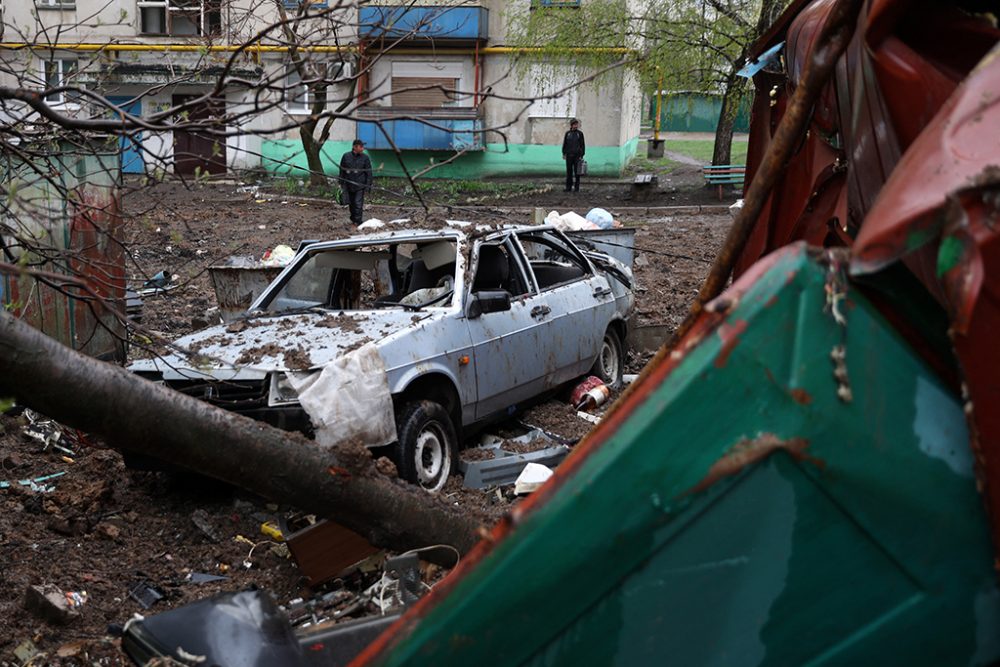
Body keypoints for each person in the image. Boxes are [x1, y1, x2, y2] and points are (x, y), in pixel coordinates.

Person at [339, 139, 373, 226]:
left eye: (363, 147)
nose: (363, 148)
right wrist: (341, 183)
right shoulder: (346, 156)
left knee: (358, 204)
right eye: (361, 147)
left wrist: (368, 186)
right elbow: (342, 170)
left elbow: (369, 172)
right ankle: (353, 218)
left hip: (360, 185)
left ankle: (357, 222)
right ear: (355, 147)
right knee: (351, 203)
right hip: (348, 184)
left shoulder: (365, 158)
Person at [562, 118, 586, 192]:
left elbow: (583, 145)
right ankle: (568, 187)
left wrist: (582, 154)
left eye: (577, 124)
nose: (576, 126)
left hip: (577, 156)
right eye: (574, 124)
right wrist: (564, 153)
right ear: (571, 125)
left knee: (577, 172)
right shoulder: (567, 133)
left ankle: (576, 188)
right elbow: (565, 144)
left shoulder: (580, 134)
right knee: (569, 172)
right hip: (569, 156)